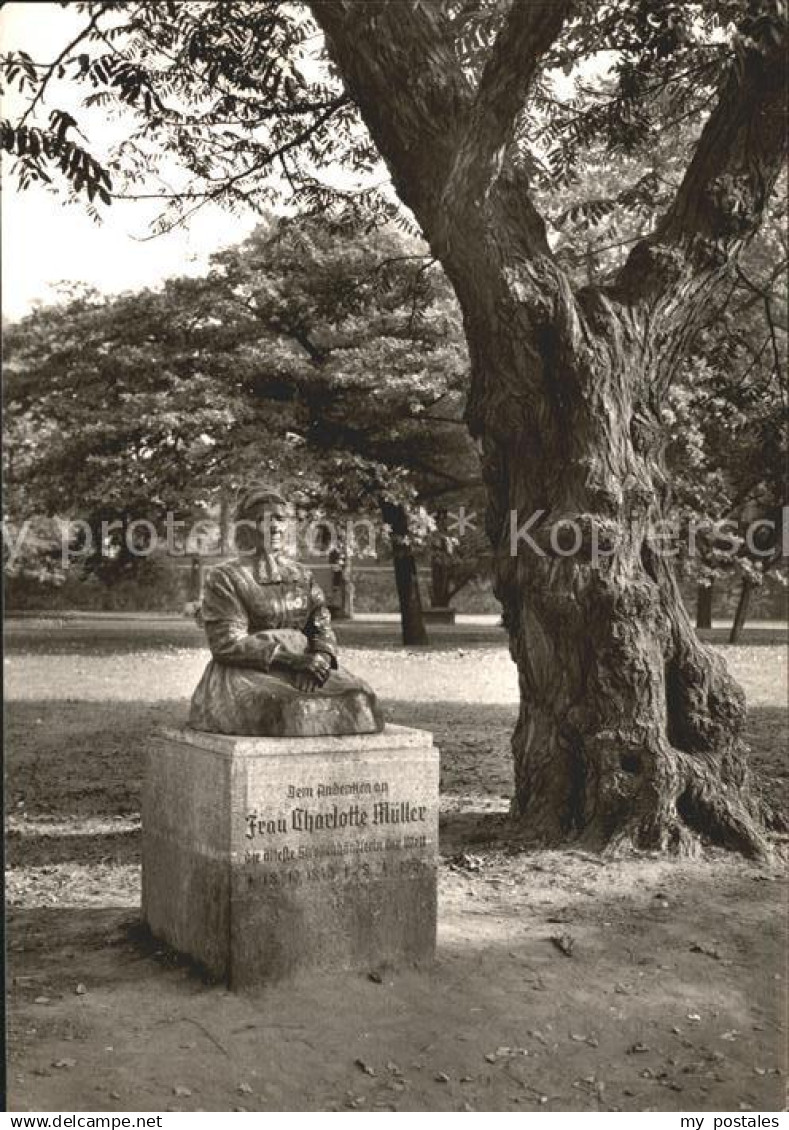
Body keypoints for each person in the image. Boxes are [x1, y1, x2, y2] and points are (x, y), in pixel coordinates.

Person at [188, 485, 383, 736]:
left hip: (307, 667)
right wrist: (293, 661)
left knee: (360, 700)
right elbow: (226, 643)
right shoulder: (225, 577)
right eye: (263, 520)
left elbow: (321, 626)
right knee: (289, 709)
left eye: (280, 519)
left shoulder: (301, 575)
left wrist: (320, 661)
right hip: (248, 672)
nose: (275, 527)